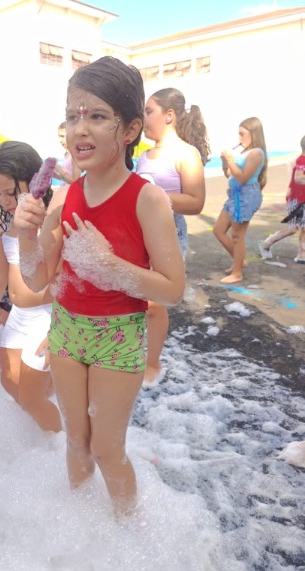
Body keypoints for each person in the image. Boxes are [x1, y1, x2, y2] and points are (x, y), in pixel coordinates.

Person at [14, 56, 185, 517]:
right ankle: (83, 536)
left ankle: (127, 536)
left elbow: (173, 290)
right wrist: (26, 237)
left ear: (129, 129)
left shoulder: (147, 199)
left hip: (118, 336)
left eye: (96, 116)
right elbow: (37, 279)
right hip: (67, 331)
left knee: (107, 449)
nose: (80, 129)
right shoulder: (65, 195)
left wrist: (112, 268)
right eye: (72, 116)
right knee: (76, 442)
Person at [0, 141, 62, 433]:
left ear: (34, 179)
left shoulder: (51, 218)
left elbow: (66, 279)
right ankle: (40, 438)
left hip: (47, 316)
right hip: (18, 316)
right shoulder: (6, 223)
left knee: (32, 396)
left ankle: (62, 446)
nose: (4, 200)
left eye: (10, 192)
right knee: (9, 383)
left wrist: (59, 329)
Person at [136, 87, 210, 384]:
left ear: (168, 116)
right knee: (137, 300)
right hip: (138, 236)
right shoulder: (144, 155)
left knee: (155, 304)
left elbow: (196, 202)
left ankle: (152, 362)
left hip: (167, 237)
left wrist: (151, 197)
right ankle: (137, 351)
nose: (143, 117)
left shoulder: (185, 153)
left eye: (148, 111)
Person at [213, 117, 267, 283]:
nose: (239, 137)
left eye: (242, 134)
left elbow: (243, 178)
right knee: (219, 230)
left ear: (253, 133)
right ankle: (239, 261)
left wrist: (231, 160)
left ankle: (237, 273)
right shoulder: (244, 153)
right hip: (235, 194)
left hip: (245, 195)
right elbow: (230, 174)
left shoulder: (256, 153)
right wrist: (225, 163)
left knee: (237, 235)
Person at [258, 135, 305, 264]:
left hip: (300, 199)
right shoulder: (302, 161)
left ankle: (301, 254)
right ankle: (267, 243)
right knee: (295, 228)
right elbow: (298, 178)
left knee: (300, 227)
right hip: (297, 200)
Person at [53, 121, 81, 185]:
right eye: (59, 136)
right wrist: (56, 176)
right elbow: (67, 178)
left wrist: (60, 171)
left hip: (70, 191)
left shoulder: (75, 155)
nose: (60, 140)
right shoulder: (67, 154)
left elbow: (76, 183)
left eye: (63, 136)